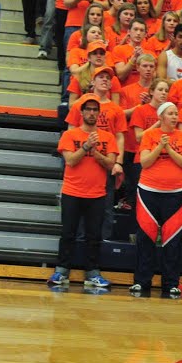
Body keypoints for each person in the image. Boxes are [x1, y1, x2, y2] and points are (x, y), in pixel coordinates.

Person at [48, 95, 118, 290]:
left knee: (94, 236)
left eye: (95, 109)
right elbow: (70, 160)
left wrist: (95, 153)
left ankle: (93, 273)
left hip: (96, 193)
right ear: (81, 112)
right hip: (72, 191)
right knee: (68, 233)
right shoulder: (70, 135)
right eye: (88, 109)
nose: (92, 112)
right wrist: (86, 146)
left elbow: (111, 164)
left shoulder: (108, 137)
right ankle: (61, 270)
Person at [131, 102, 182, 297]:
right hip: (148, 191)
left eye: (176, 113)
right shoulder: (150, 136)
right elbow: (145, 162)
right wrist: (160, 146)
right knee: (145, 238)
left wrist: (170, 149)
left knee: (173, 239)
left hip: (176, 194)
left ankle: (171, 283)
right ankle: (141, 281)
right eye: (171, 113)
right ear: (161, 117)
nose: (175, 117)